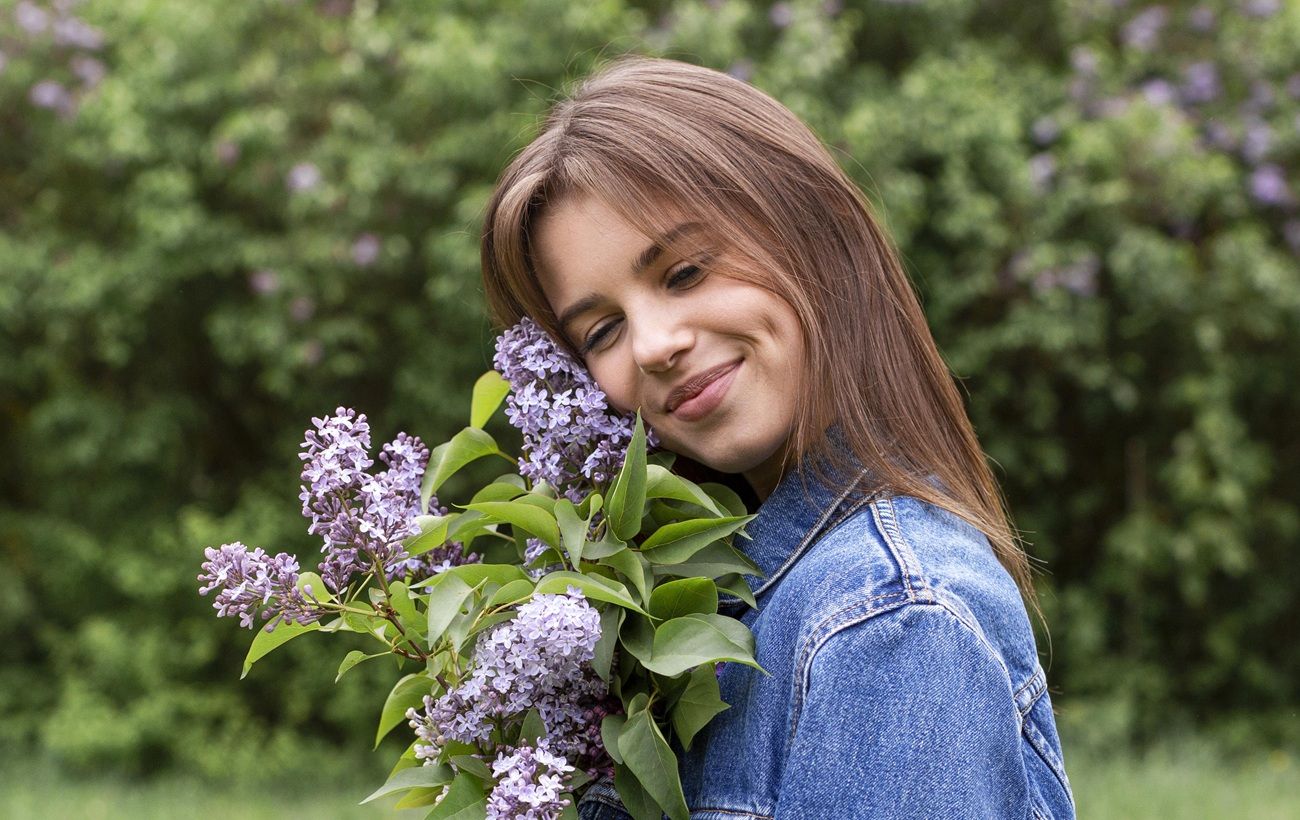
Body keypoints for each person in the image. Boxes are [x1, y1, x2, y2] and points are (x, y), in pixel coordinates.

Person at [479, 55, 1075, 820]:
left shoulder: (888, 622)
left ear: (811, 232)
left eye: (686, 271)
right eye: (602, 330)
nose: (654, 344)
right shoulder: (701, 619)